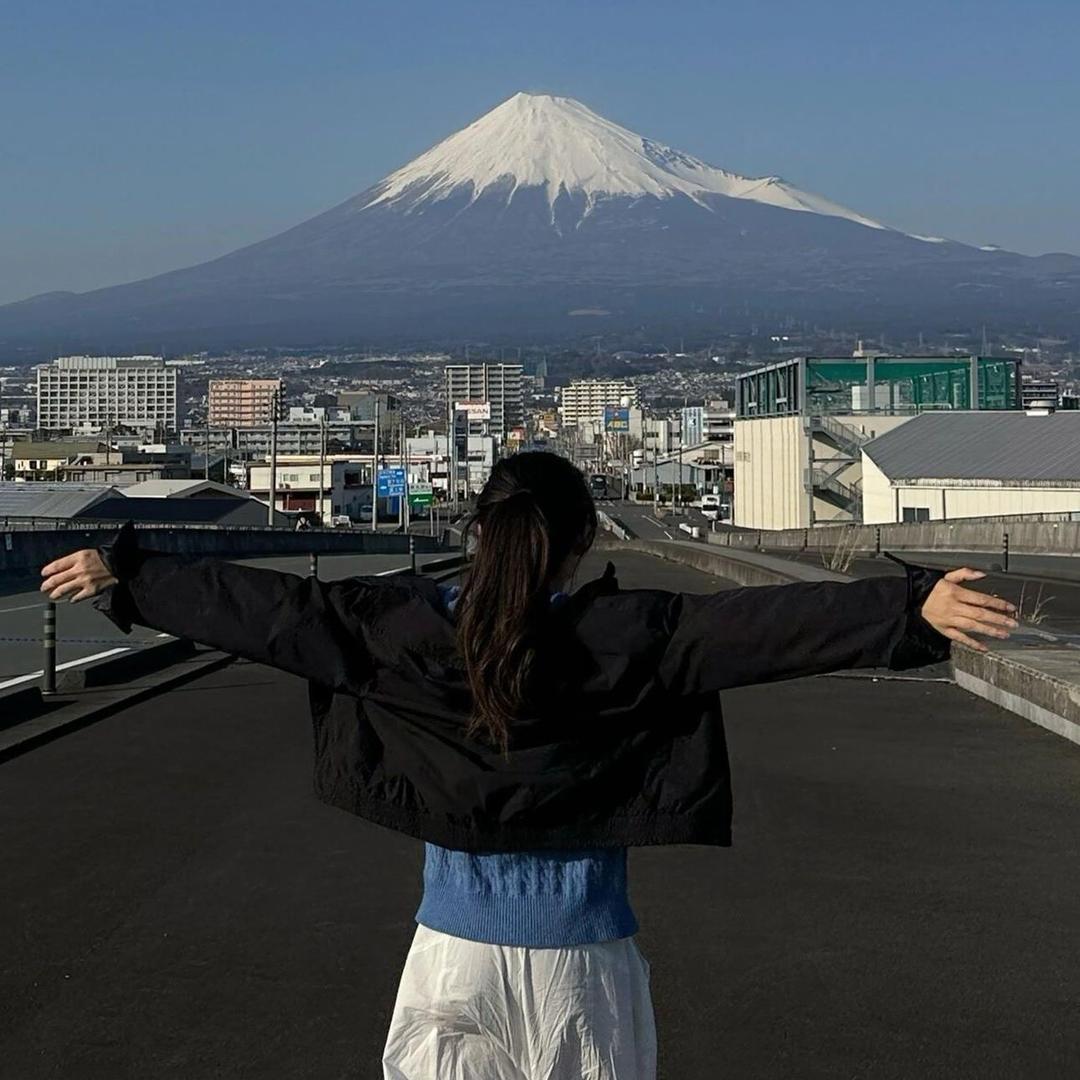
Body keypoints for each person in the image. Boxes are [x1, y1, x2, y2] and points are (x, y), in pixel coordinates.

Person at [40, 451, 1017, 1080]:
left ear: (479, 537)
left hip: (451, 957)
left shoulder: (407, 633)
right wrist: (904, 610)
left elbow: (283, 616)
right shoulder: (624, 640)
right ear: (583, 544)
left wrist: (132, 579)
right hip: (582, 973)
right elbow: (750, 632)